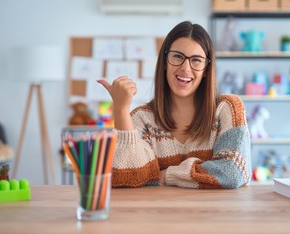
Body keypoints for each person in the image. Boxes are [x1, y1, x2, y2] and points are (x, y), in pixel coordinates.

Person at [98, 21, 251, 189]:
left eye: (196, 60)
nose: (185, 68)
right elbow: (126, 177)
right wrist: (121, 110)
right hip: (159, 214)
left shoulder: (227, 108)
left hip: (214, 214)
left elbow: (233, 172)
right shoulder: (142, 118)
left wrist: (166, 175)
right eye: (177, 56)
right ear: (164, 62)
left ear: (207, 69)